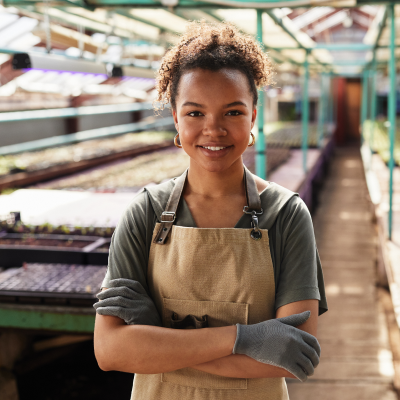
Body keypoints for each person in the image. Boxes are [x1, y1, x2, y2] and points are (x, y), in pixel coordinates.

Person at [93, 20, 327, 400]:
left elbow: (291, 357)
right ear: (175, 118)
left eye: (232, 113)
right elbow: (110, 351)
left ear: (253, 116)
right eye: (195, 113)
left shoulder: (286, 215)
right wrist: (244, 339)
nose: (213, 130)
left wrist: (159, 338)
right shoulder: (145, 213)